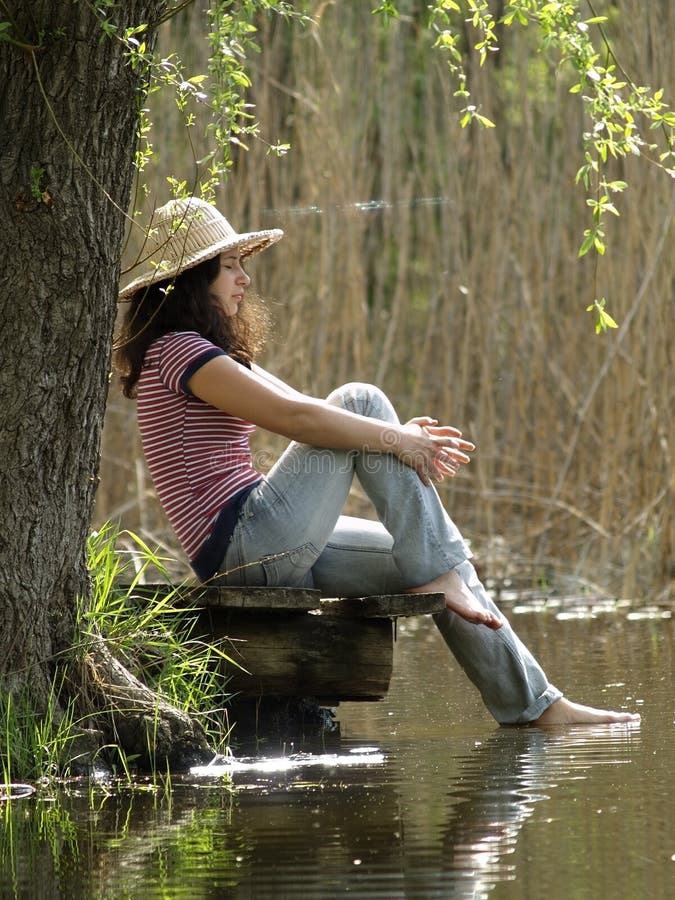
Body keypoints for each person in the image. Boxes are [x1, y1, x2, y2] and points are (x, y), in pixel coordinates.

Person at [116, 196, 639, 727]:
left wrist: (397, 435)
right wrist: (397, 440)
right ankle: (440, 572)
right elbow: (301, 420)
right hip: (242, 545)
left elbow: (315, 412)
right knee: (362, 401)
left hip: (264, 543)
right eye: (230, 267)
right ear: (191, 281)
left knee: (437, 560)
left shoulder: (201, 351)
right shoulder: (178, 350)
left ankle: (536, 708)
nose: (245, 279)